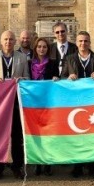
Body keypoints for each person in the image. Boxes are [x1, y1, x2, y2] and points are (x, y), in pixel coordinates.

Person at [62, 31, 94, 179]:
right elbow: (62, 77)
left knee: (92, 134)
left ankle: (93, 166)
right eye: (80, 41)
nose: (83, 44)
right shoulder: (69, 59)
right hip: (75, 103)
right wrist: (68, 77)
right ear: (76, 43)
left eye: (86, 41)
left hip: (93, 103)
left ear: (89, 42)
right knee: (77, 135)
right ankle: (78, 166)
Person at [0, 30, 30, 179]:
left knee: (17, 137)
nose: (8, 42)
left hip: (16, 103)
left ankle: (17, 166)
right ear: (0, 41)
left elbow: (28, 78)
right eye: (5, 39)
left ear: (15, 41)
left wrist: (21, 79)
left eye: (11, 39)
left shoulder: (22, 58)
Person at [29, 37, 59, 177]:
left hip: (48, 103)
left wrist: (56, 79)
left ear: (48, 49)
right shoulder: (29, 63)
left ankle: (48, 163)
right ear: (35, 48)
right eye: (39, 46)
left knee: (48, 133)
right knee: (36, 134)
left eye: (44, 47)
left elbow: (58, 78)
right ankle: (37, 163)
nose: (42, 49)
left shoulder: (53, 64)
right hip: (33, 104)